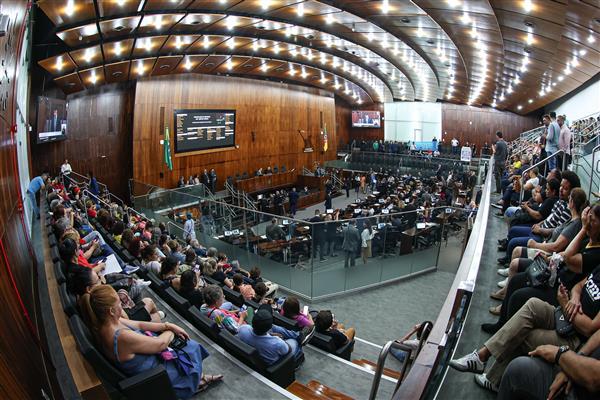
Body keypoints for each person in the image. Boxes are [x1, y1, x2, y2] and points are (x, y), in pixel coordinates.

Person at [79, 285, 221, 397]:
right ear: (110, 310)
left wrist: (167, 325)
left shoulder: (107, 323)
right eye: (118, 303)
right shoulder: (121, 337)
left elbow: (139, 324)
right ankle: (192, 384)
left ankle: (198, 378)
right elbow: (160, 344)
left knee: (185, 344)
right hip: (159, 377)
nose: (121, 305)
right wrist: (170, 332)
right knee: (191, 346)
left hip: (150, 362)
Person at [497, 329, 600, 399]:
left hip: (579, 393)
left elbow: (595, 377)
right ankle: (494, 378)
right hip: (580, 367)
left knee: (517, 370)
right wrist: (575, 363)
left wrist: (560, 355)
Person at [237, 304, 315, 367]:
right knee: (295, 341)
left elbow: (238, 329)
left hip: (259, 353)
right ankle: (299, 338)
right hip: (277, 363)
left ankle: (298, 335)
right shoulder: (277, 342)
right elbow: (287, 351)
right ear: (268, 328)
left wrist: (241, 317)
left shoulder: (243, 329)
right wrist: (278, 338)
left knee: (274, 328)